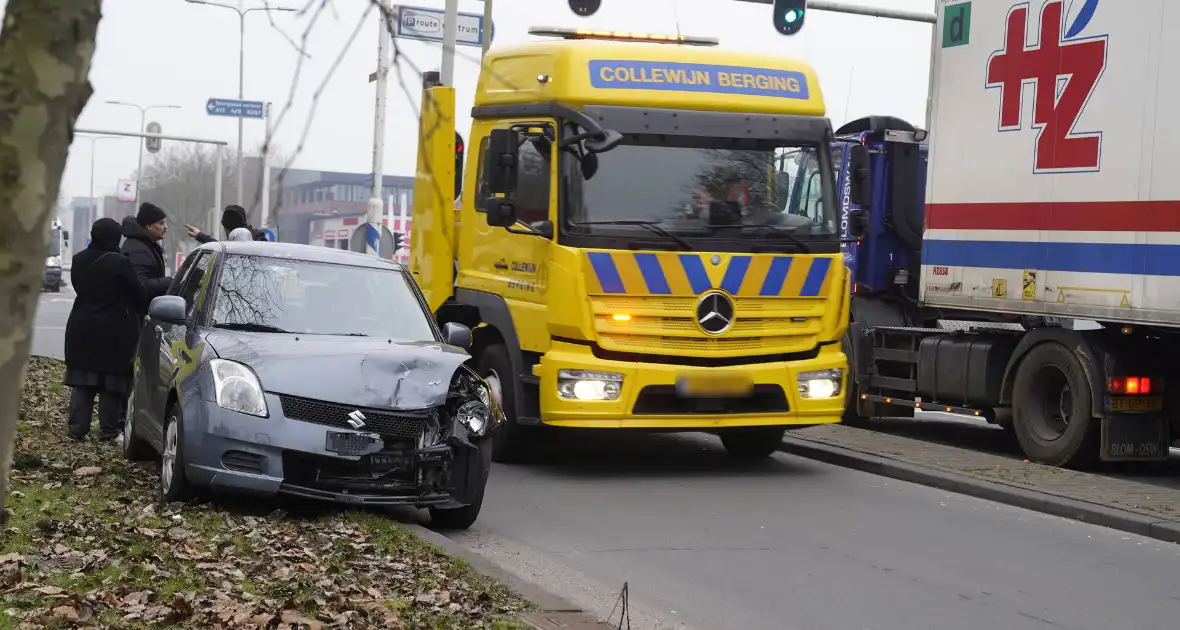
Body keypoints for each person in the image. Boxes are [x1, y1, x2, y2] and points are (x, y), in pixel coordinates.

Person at [63, 218, 147, 442]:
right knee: (112, 381)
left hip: (82, 325)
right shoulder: (120, 263)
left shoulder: (78, 259)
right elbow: (139, 292)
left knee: (82, 379)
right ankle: (108, 433)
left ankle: (76, 430)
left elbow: (80, 287)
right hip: (114, 330)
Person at [120, 202, 173, 305]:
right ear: (149, 226)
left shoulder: (146, 245)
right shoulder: (138, 250)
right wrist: (170, 281)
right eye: (161, 224)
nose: (165, 227)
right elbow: (141, 285)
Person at [185, 205, 269, 243]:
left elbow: (220, 249)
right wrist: (199, 235)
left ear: (228, 229)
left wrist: (199, 235)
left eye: (225, 228)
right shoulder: (259, 239)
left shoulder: (257, 242)